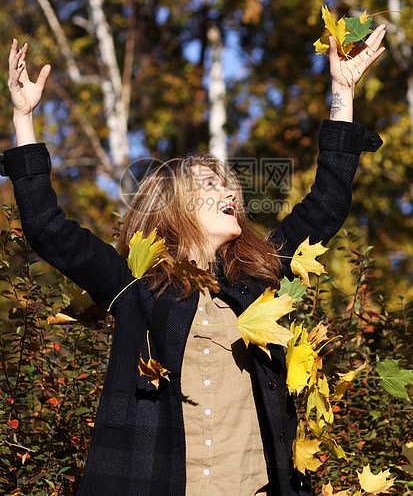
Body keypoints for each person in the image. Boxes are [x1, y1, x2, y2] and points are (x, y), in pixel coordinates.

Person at [2, 26, 386, 496]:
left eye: (229, 185)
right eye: (209, 185)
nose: (230, 191)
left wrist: (342, 92)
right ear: (173, 208)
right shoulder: (133, 284)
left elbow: (326, 202)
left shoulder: (257, 277)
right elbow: (48, 230)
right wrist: (25, 120)